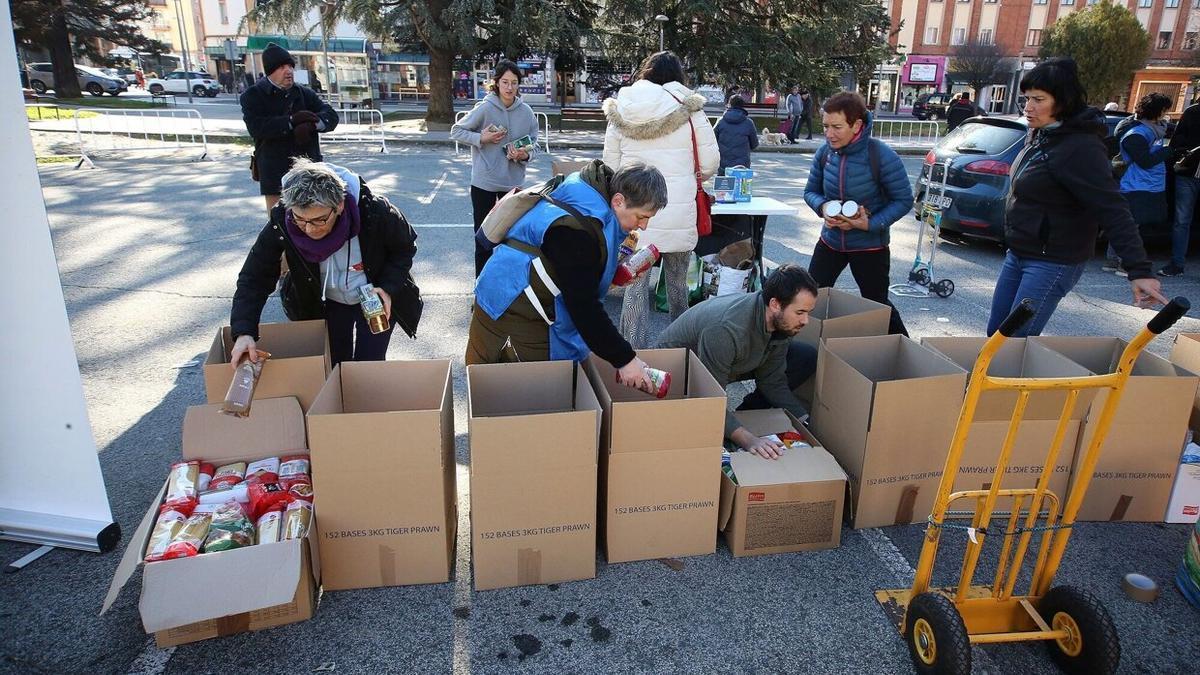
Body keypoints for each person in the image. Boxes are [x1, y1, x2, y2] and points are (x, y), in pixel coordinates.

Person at [987, 58, 1168, 337]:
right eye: (1026, 98)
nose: (1028, 107)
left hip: (1052, 260)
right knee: (995, 337)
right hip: (1019, 252)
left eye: (1038, 99)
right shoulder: (1042, 135)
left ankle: (1009, 381)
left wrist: (1139, 270)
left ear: (1062, 102)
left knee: (1013, 342)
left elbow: (1112, 208)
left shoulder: (1080, 147)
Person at [466, 161, 669, 395]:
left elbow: (562, 267)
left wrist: (608, 277)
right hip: (515, 315)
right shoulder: (577, 231)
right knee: (527, 404)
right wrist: (625, 360)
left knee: (506, 403)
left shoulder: (583, 193)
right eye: (641, 217)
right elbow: (584, 309)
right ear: (618, 201)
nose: (643, 226)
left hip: (501, 296)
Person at [229, 159, 422, 369]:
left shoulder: (375, 210)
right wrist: (244, 331)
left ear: (339, 205)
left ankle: (366, 398)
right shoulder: (283, 220)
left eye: (319, 220)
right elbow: (254, 276)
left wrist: (387, 287)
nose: (310, 229)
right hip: (326, 301)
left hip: (374, 296)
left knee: (370, 365)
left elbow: (404, 248)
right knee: (335, 364)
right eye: (300, 219)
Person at [602, 51, 719, 348]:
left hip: (636, 214)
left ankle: (631, 354)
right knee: (678, 287)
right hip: (677, 211)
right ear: (678, 76)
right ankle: (680, 353)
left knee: (635, 286)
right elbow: (709, 163)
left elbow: (610, 166)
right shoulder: (691, 109)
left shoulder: (622, 108)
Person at [656, 264, 818, 459]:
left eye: (808, 312)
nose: (805, 321)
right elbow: (709, 397)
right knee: (706, 431)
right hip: (677, 374)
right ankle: (731, 429)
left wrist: (806, 423)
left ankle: (745, 415)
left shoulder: (781, 321)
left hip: (727, 362)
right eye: (800, 312)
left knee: (804, 356)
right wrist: (748, 440)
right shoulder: (727, 329)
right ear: (775, 304)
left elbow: (772, 379)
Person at [804, 91, 914, 336]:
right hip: (830, 242)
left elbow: (904, 200)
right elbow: (810, 192)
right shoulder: (825, 153)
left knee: (878, 306)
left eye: (837, 127)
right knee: (807, 298)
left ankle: (905, 353)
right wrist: (822, 208)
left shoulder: (881, 155)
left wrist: (870, 224)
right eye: (825, 126)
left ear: (857, 126)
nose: (829, 134)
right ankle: (798, 351)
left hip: (869, 246)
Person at [449, 60, 539, 277]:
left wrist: (524, 154)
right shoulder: (485, 107)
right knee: (483, 241)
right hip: (484, 183)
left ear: (519, 85)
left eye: (514, 83)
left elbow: (536, 145)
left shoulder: (526, 112)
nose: (509, 87)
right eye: (505, 82)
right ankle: (481, 289)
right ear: (496, 83)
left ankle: (508, 289)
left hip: (513, 184)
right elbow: (456, 131)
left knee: (513, 241)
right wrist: (482, 137)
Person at [240, 42, 339, 215]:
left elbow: (330, 115)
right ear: (271, 71)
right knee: (279, 224)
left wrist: (312, 124)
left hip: (308, 173)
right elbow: (257, 127)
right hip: (275, 172)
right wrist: (291, 122)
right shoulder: (253, 96)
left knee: (311, 221)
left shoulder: (303, 93)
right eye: (281, 67)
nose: (288, 71)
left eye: (290, 66)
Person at [1105, 93, 1173, 275]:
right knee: (1130, 227)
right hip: (1135, 184)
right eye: (1165, 110)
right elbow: (1145, 160)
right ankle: (1123, 264)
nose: (1167, 114)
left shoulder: (1154, 128)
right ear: (1157, 110)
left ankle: (1113, 261)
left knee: (1125, 224)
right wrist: (1168, 151)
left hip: (1142, 183)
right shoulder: (1136, 132)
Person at [1163, 98, 1200, 277]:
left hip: (1187, 173)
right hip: (1188, 173)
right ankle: (1177, 264)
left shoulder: (1192, 112)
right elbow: (1176, 143)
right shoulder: (1192, 112)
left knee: (1182, 221)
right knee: (1181, 220)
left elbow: (1175, 143)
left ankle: (1177, 264)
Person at [714, 95, 759, 173]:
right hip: (742, 165)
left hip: (723, 164)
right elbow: (754, 145)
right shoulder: (748, 123)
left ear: (729, 105)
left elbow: (713, 140)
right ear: (742, 106)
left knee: (724, 184)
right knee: (741, 184)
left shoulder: (721, 121)